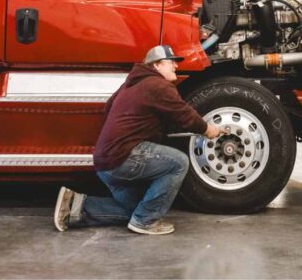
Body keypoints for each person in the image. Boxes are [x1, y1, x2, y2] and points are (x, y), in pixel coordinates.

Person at [53, 44, 222, 236]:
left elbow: (108, 107)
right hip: (123, 157)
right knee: (179, 162)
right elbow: (184, 114)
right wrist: (208, 130)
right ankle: (145, 222)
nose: (176, 66)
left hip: (105, 162)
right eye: (171, 62)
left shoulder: (130, 85)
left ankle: (75, 207)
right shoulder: (158, 85)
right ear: (157, 65)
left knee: (137, 208)